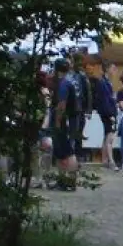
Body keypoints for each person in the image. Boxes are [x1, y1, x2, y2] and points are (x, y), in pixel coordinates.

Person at [49, 59, 82, 189]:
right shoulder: (71, 81)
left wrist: (57, 123)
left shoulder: (63, 84)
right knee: (60, 152)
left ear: (56, 69)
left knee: (68, 151)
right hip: (70, 120)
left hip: (64, 122)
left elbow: (61, 105)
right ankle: (63, 180)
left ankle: (70, 181)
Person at [91, 57, 119, 168]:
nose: (114, 70)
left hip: (108, 111)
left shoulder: (106, 82)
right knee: (110, 136)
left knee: (107, 135)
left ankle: (105, 160)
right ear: (107, 69)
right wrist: (110, 114)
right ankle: (110, 160)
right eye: (113, 68)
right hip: (108, 112)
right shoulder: (102, 83)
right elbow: (104, 100)